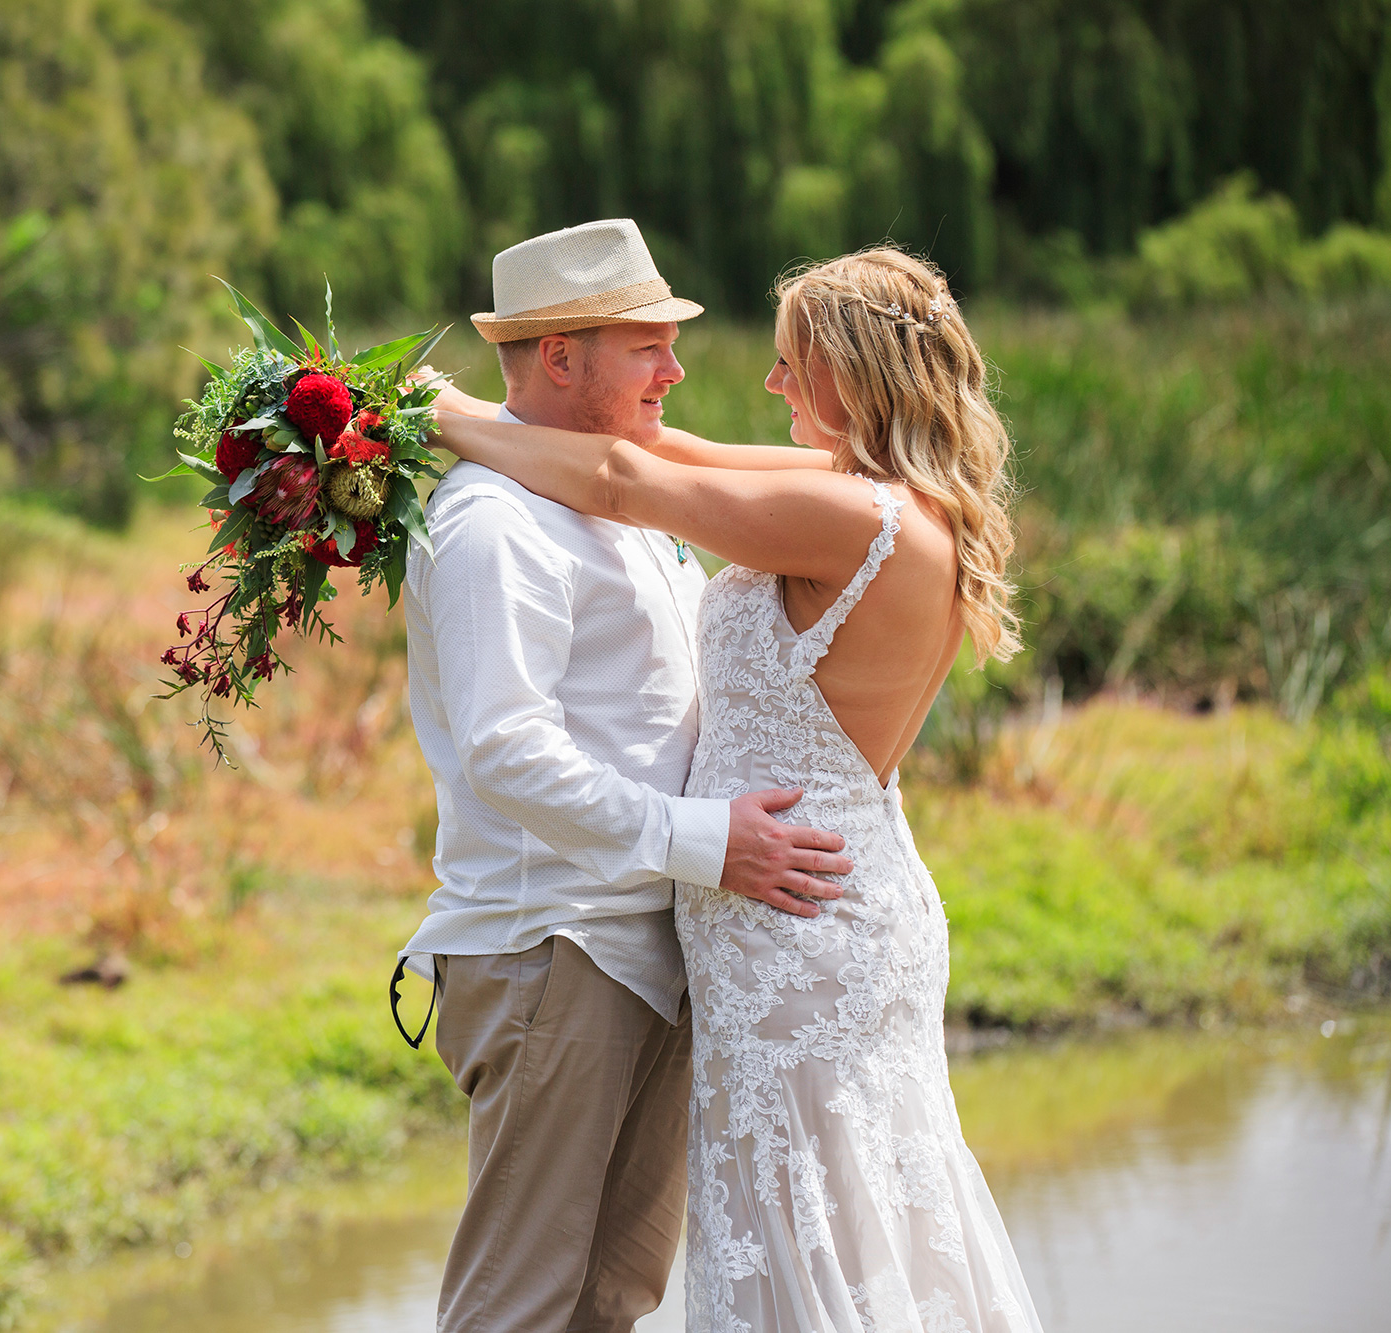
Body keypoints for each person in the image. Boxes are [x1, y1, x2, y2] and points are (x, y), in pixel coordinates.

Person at [430, 245, 1045, 1332]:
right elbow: (669, 449)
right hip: (802, 900)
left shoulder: (855, 516)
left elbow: (628, 479)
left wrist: (432, 416)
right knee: (836, 1207)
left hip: (795, 915)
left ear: (850, 374)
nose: (764, 386)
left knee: (815, 1214)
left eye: (787, 364)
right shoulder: (874, 494)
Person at [394, 218, 854, 1333]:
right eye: (647, 345)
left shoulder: (618, 502)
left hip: (641, 941)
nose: (676, 369)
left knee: (610, 1301)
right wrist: (710, 842)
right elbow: (507, 748)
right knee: (519, 1305)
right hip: (554, 947)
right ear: (560, 358)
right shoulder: (493, 521)